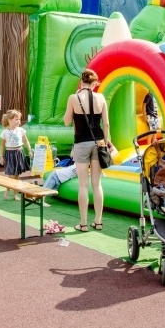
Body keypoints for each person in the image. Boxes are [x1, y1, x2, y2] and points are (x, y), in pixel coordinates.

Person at [63, 68, 111, 232]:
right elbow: (106, 124)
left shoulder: (73, 97)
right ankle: (98, 221)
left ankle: (83, 223)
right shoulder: (101, 97)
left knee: (83, 185)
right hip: (99, 142)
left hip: (81, 143)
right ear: (95, 83)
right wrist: (106, 142)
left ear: (81, 81)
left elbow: (67, 121)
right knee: (97, 184)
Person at [0, 109, 32, 200]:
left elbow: (25, 140)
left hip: (19, 152)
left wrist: (29, 151)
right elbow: (2, 145)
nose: (19, 121)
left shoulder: (21, 130)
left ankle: (15, 194)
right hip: (10, 153)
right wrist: (1, 156)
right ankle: (8, 190)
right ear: (9, 120)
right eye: (16, 119)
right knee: (11, 175)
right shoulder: (5, 132)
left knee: (17, 175)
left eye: (19, 119)